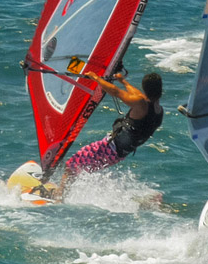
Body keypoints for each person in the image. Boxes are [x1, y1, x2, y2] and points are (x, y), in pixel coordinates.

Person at [54, 71, 164, 199]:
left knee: (72, 164)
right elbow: (137, 95)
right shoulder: (158, 111)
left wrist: (95, 78)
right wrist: (123, 81)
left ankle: (58, 196)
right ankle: (65, 192)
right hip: (119, 153)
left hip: (109, 148)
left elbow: (116, 92)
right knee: (81, 168)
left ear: (145, 88)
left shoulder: (141, 105)